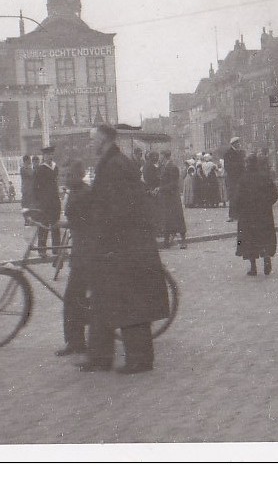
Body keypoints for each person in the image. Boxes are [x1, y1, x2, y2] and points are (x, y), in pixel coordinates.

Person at [79, 124, 170, 374]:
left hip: (125, 245)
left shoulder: (115, 166)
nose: (90, 143)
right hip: (121, 244)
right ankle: (99, 356)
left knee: (130, 303)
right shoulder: (113, 163)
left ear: (104, 139)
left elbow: (119, 208)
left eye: (93, 139)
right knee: (103, 299)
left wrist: (103, 236)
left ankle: (139, 360)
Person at [55, 160, 91, 357]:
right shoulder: (78, 192)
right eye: (64, 175)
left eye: (69, 175)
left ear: (79, 175)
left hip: (86, 253)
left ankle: (75, 342)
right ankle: (76, 340)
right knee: (76, 297)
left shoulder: (82, 194)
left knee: (72, 298)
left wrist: (58, 224)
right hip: (82, 250)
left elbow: (80, 222)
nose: (66, 179)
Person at [236, 153, 278, 276]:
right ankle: (266, 257)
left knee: (249, 240)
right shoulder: (265, 177)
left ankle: (253, 267)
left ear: (247, 165)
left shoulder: (243, 179)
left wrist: (240, 210)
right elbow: (274, 194)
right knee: (264, 237)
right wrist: (267, 204)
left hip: (248, 215)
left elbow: (238, 198)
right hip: (264, 214)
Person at [33, 146, 61, 259]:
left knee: (55, 224)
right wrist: (39, 201)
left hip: (54, 201)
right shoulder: (40, 169)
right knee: (43, 225)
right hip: (45, 202)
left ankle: (56, 248)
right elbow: (35, 188)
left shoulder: (55, 168)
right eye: (48, 154)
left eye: (51, 154)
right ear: (43, 156)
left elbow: (56, 183)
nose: (50, 156)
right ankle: (42, 250)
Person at [157, 150, 188, 249]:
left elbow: (174, 183)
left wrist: (161, 188)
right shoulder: (163, 166)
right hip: (166, 197)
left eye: (160, 156)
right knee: (167, 219)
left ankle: (183, 241)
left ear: (164, 156)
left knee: (178, 218)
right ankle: (166, 241)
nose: (159, 158)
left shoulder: (173, 167)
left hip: (173, 197)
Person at [224, 137, 245, 222]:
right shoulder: (228, 153)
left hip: (240, 178)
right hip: (232, 178)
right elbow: (227, 167)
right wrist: (238, 166)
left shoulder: (239, 153)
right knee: (233, 196)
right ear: (233, 144)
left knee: (239, 196)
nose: (238, 144)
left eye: (238, 143)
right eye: (237, 143)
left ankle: (239, 214)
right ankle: (232, 215)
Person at [19, 155, 34, 225]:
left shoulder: (29, 168)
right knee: (25, 205)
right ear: (26, 161)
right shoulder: (23, 168)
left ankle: (30, 219)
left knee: (30, 205)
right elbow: (31, 174)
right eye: (29, 160)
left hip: (30, 189)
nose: (30, 161)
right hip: (26, 190)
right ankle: (26, 220)